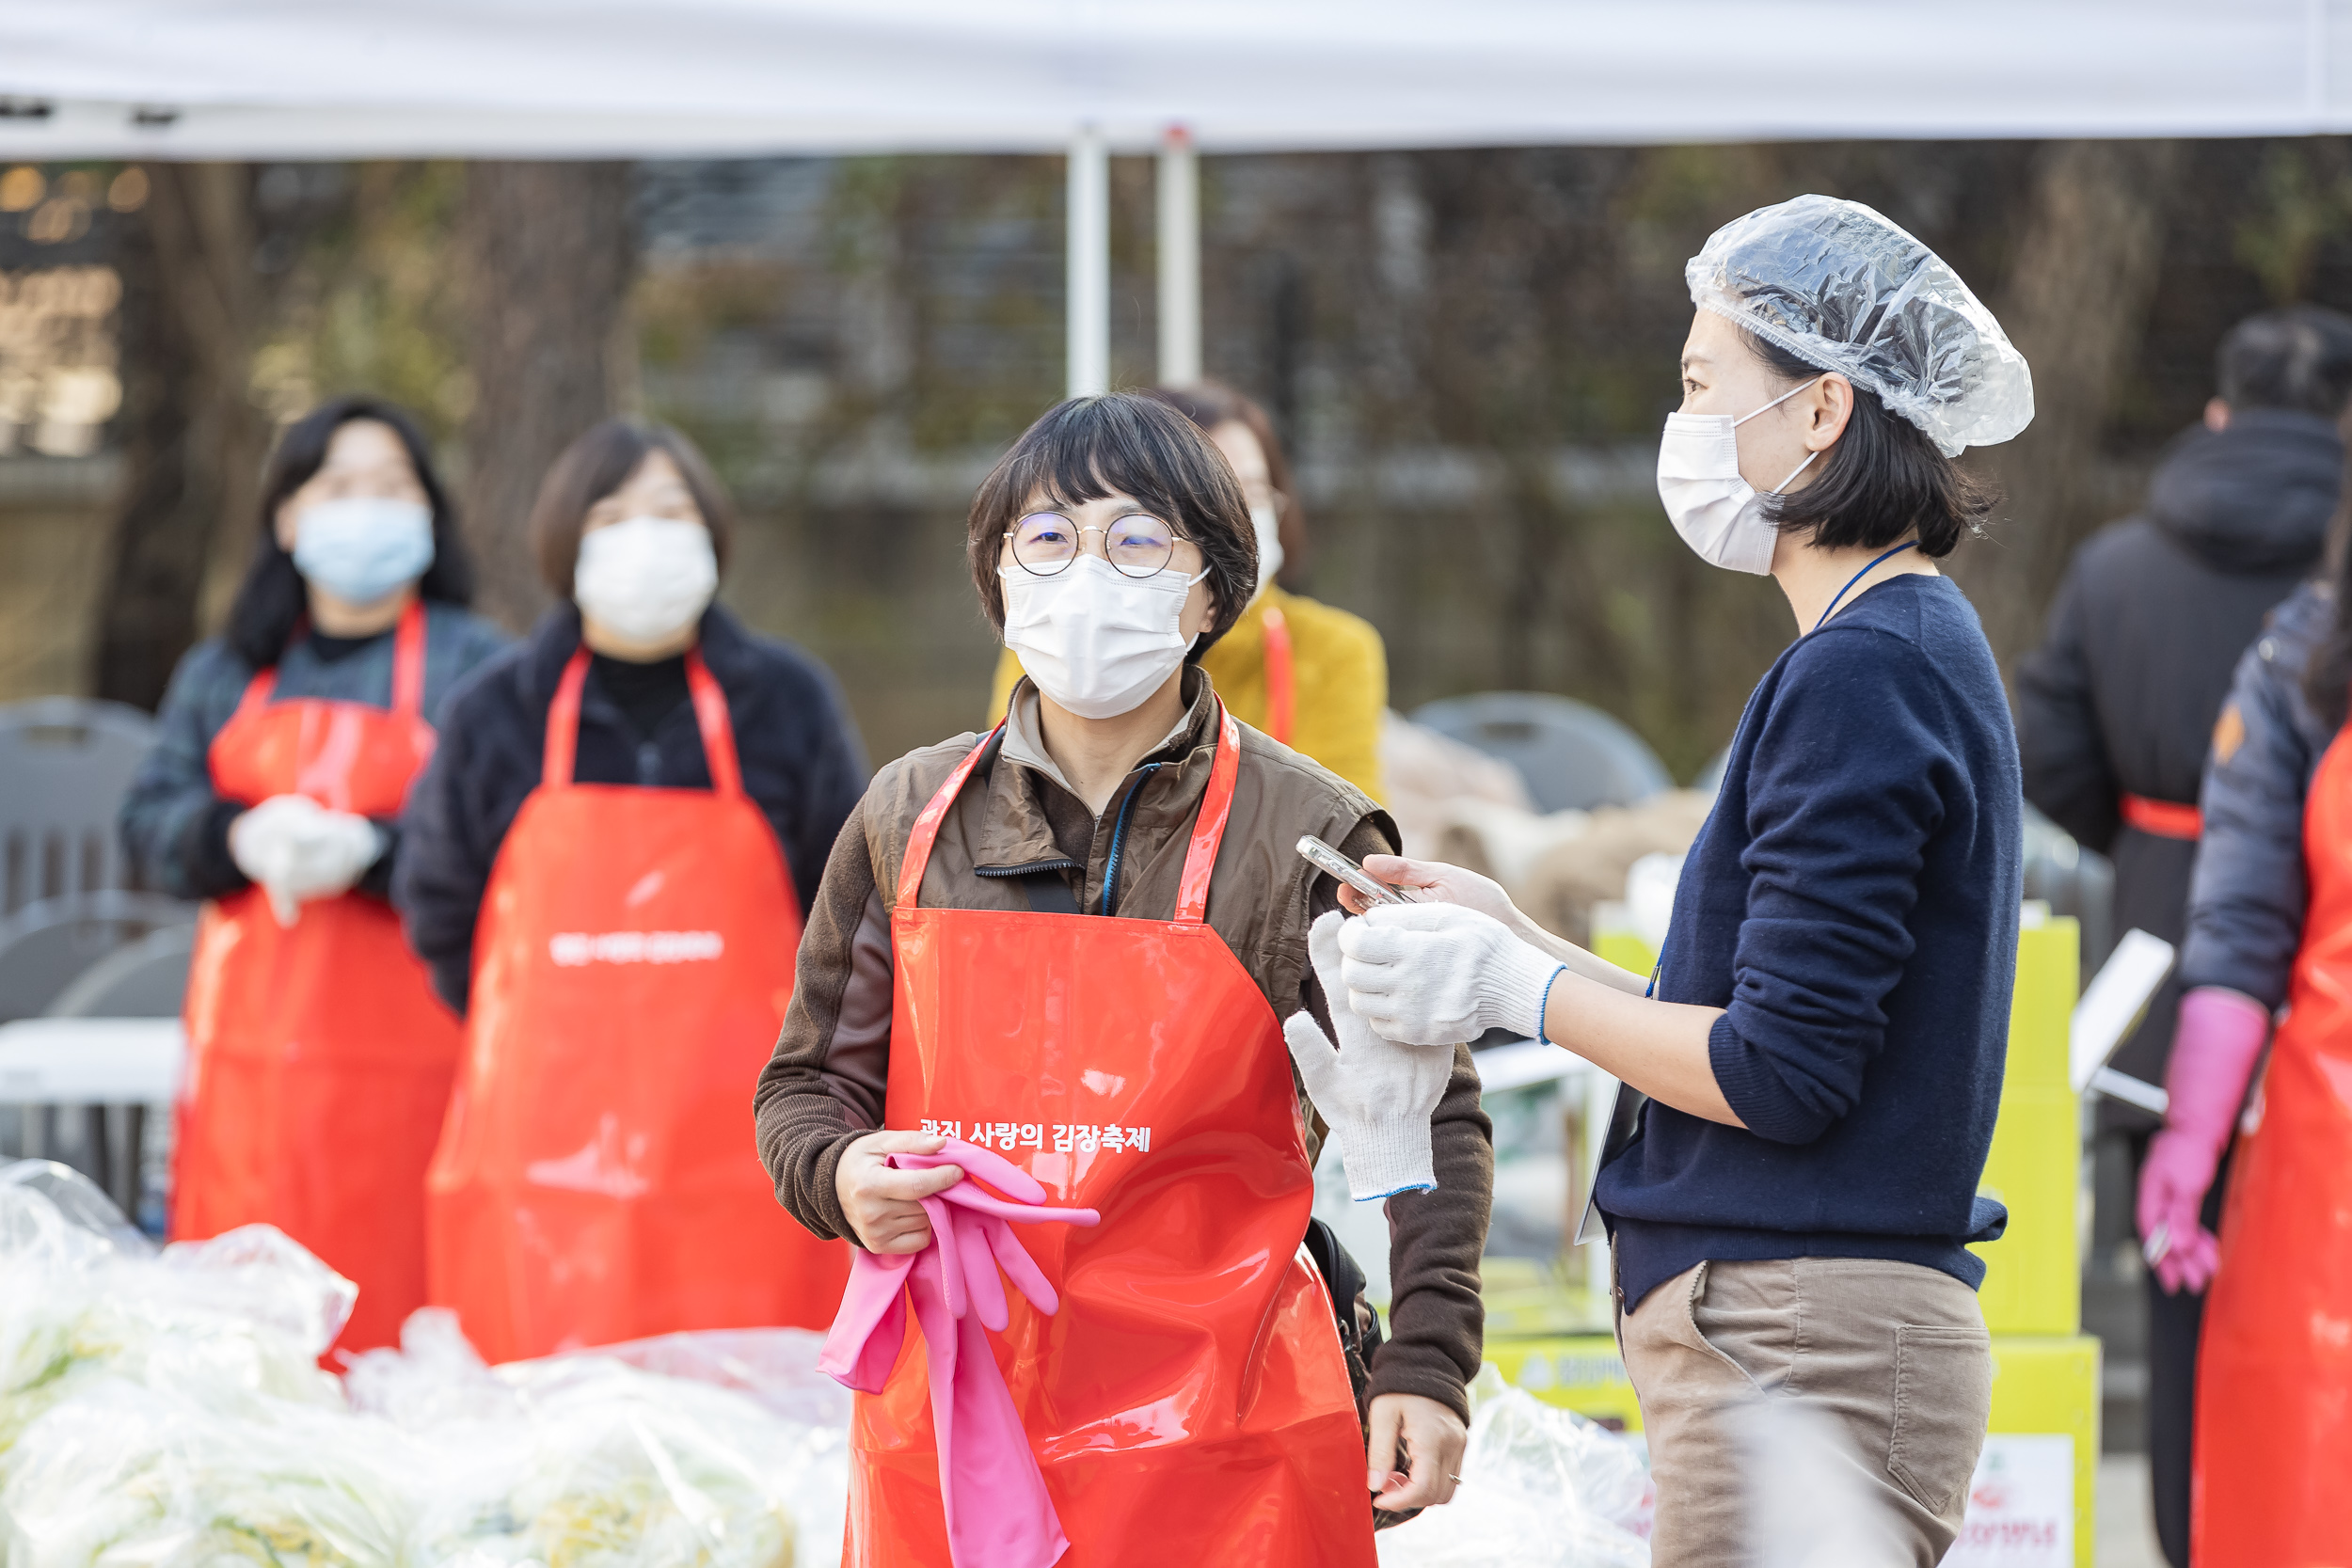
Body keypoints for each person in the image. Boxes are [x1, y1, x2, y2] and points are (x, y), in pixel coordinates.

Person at [1328, 196, 2033, 1563]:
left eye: (1704, 384)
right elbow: (1746, 1026)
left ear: (1822, 410)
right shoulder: (1888, 647)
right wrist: (1516, 934)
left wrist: (1518, 988)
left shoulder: (1863, 668)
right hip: (1802, 1328)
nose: (1686, 422)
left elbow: (1778, 1071)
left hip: (1798, 1336)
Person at [754, 392, 1491, 1564]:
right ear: (1000, 581)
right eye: (1045, 538)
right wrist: (839, 1172)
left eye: (1137, 539)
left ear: (1212, 587)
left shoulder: (1309, 830)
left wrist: (1428, 1357)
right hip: (956, 1425)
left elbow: (1430, 1110)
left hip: (1229, 1432)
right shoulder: (907, 815)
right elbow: (803, 1089)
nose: (1086, 571)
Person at [395, 418, 867, 1363]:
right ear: (568, 541)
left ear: (713, 535)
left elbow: (852, 907)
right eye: (614, 515)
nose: (645, 535)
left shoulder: (783, 698)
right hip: (540, 1160)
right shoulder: (499, 709)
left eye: (672, 509)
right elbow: (439, 906)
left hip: (750, 1146)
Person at [2015, 303, 2352, 1567]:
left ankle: (2186, 1525)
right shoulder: (2319, 591)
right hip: (2289, 993)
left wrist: (2148, 837)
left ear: (2218, 408)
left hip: (2175, 955)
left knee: (2188, 1282)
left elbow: (2045, 745)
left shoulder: (2118, 565)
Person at [119, 396, 508, 1352]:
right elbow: (144, 824)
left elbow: (511, 840)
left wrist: (374, 851)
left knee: (413, 1330)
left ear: (429, 514)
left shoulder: (481, 670)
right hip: (252, 1081)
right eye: (339, 486)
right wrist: (233, 836)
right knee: (254, 1339)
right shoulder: (225, 672)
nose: (366, 507)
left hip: (433, 1074)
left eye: (392, 486)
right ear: (287, 516)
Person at [2148, 451, 2352, 1566]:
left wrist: (2192, 1133)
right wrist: (2193, 1130)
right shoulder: (2305, 661)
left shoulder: (2299, 655)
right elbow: (2240, 923)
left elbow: (2240, 921)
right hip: (2327, 1175)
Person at [989, 381, 1390, 800]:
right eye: (1211, 494)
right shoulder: (1063, 631)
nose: (1233, 519)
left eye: (1248, 494)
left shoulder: (1332, 647)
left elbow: (1341, 823)